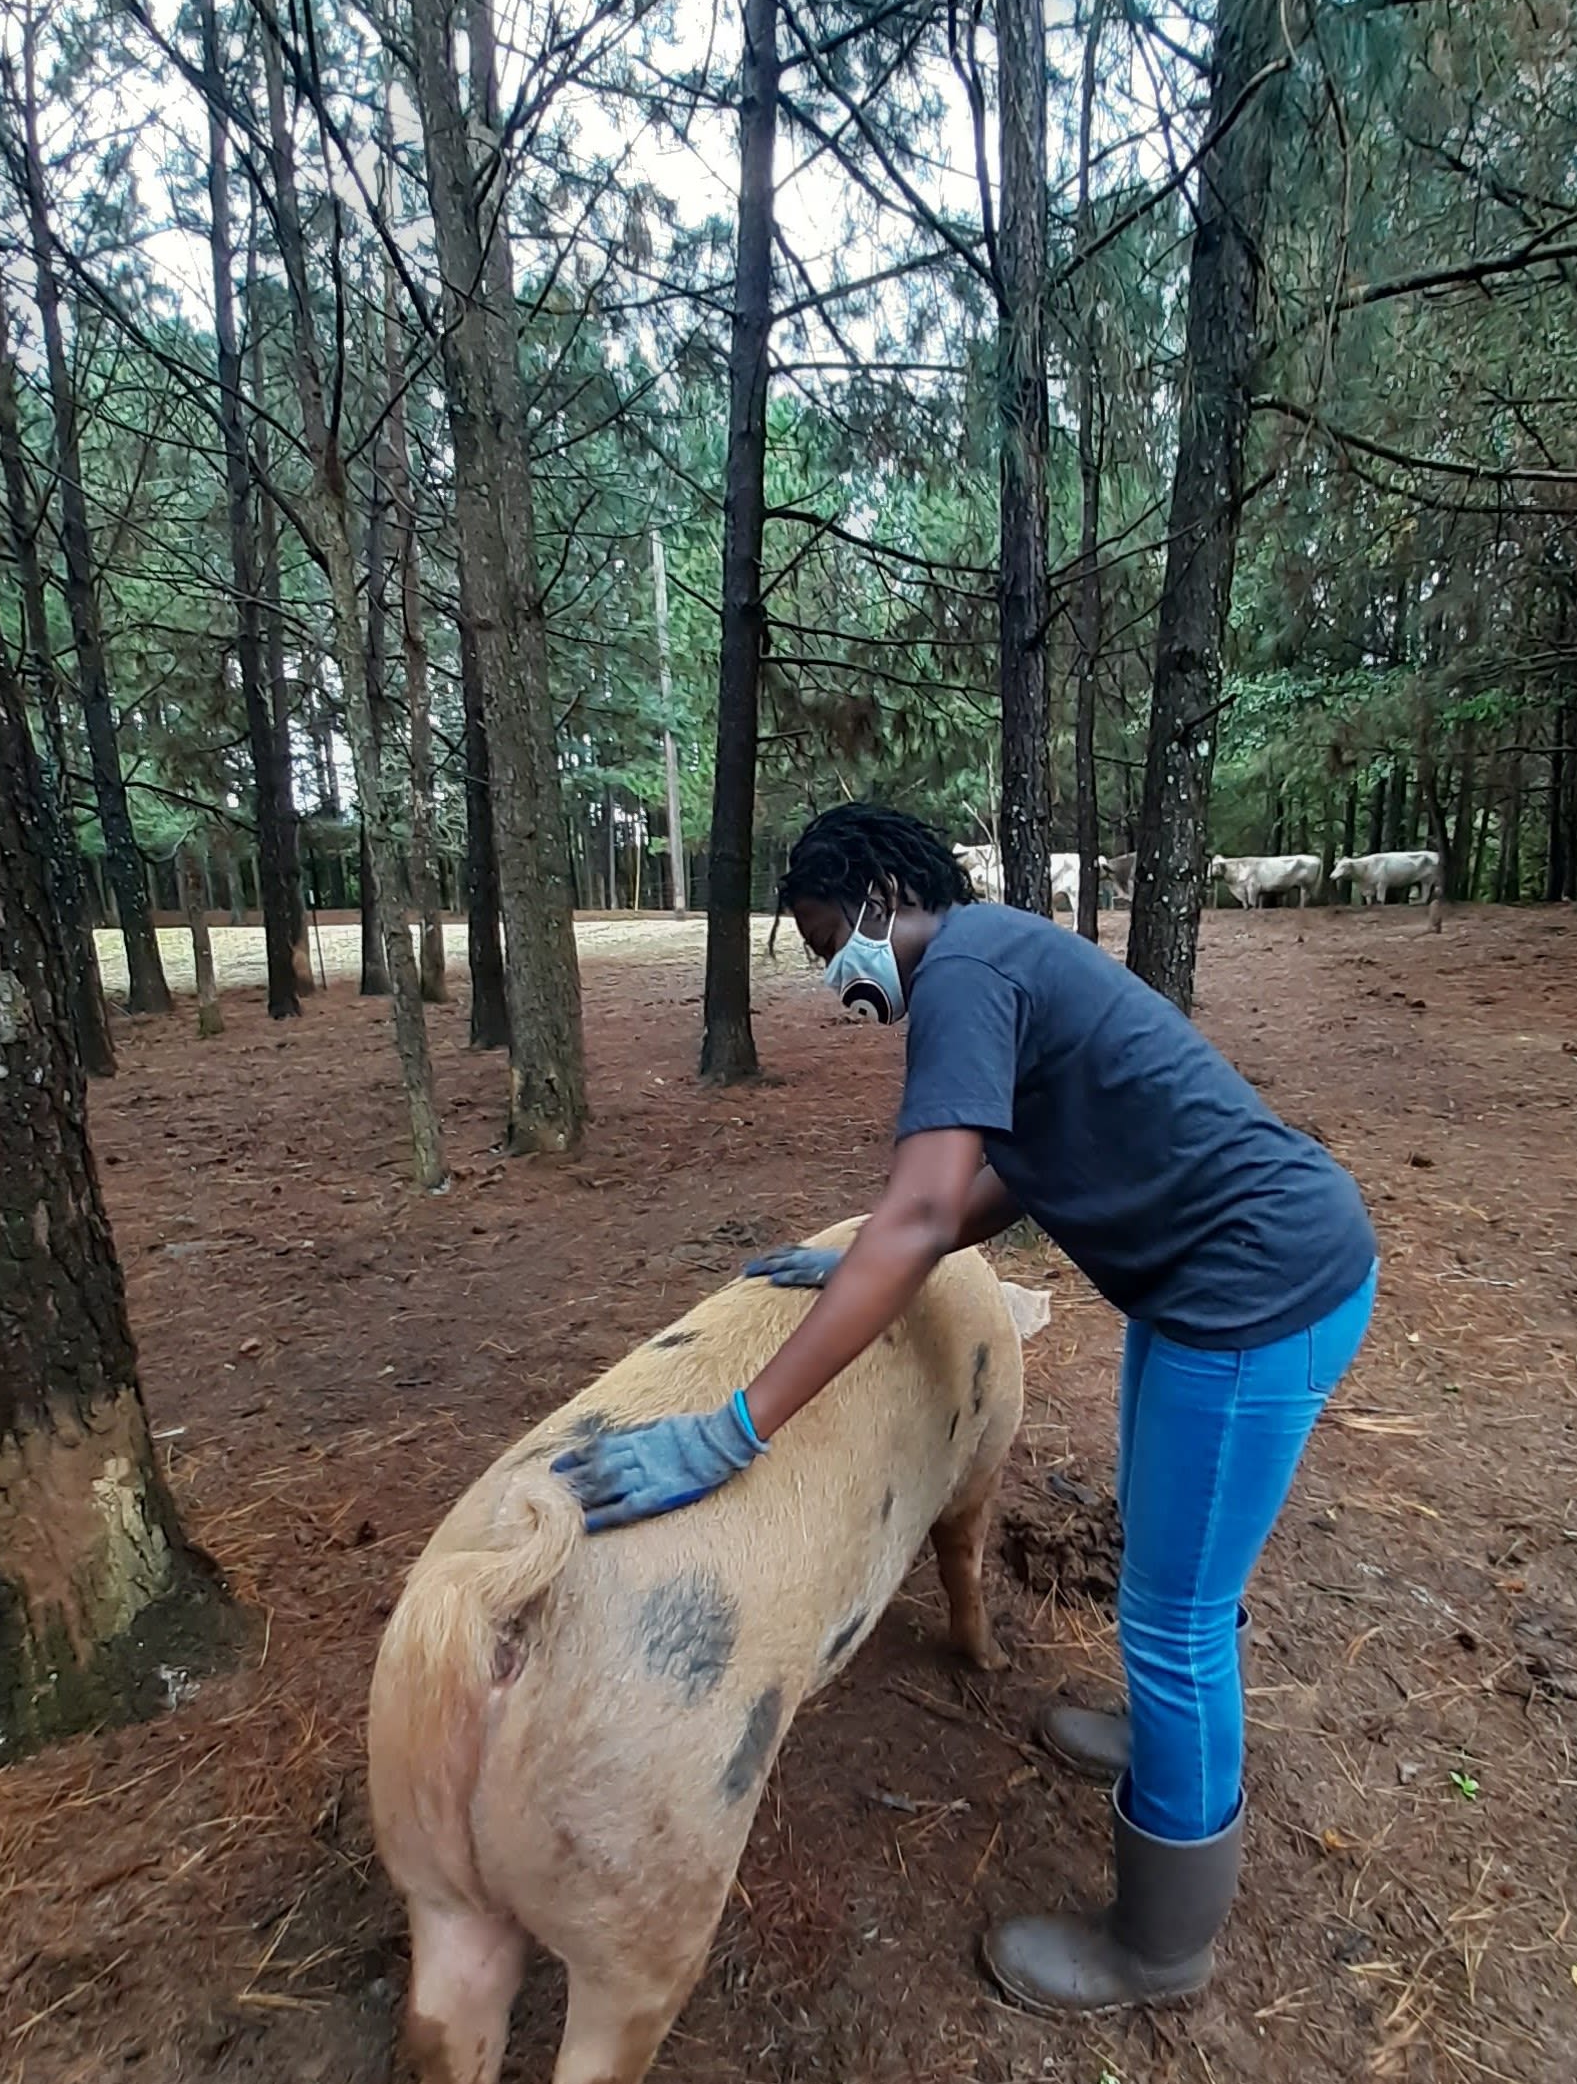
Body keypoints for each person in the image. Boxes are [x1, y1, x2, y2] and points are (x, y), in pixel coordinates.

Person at [555, 807, 1377, 2016]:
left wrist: (738, 1422)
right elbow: (1009, 1175)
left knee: (1177, 1619)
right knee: (1165, 1571)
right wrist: (856, 1264)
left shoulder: (967, 972)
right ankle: (1163, 1746)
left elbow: (926, 1210)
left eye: (834, 935)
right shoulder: (996, 956)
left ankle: (1160, 1944)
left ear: (886, 891)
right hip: (1205, 1285)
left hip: (1259, 1292)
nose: (840, 971)